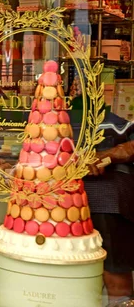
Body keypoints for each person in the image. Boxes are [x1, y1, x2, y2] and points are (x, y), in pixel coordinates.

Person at [70, 89, 134, 303]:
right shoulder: (55, 116)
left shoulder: (117, 116)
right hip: (60, 194)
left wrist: (106, 155)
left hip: (107, 196)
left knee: (114, 268)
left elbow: (129, 148)